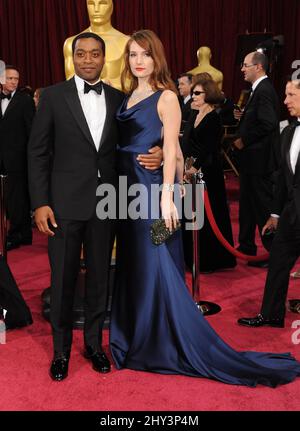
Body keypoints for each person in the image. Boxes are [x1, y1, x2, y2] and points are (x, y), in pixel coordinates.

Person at [109, 29, 300, 387]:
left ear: (157, 58)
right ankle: (137, 337)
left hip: (151, 196)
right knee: (134, 268)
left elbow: (172, 151)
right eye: (133, 54)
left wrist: (167, 197)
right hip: (124, 197)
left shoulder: (165, 97)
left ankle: (160, 343)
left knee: (156, 268)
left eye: (145, 55)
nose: (138, 61)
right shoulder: (128, 96)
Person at [28, 32, 162, 382]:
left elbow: (139, 141)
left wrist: (161, 150)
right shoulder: (54, 97)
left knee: (101, 280)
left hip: (107, 204)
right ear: (74, 58)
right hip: (63, 206)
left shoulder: (120, 98)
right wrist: (40, 203)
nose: (88, 60)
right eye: (82, 54)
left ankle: (94, 346)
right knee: (63, 281)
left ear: (105, 58)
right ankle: (60, 352)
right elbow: (38, 153)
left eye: (95, 54)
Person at [238, 79, 300, 328]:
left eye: (291, 95)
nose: (285, 101)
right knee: (277, 263)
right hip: (290, 214)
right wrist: (274, 214)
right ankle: (271, 315)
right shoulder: (287, 132)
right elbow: (283, 180)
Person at [182, 78, 236, 272]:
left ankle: (211, 260)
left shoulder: (214, 118)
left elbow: (209, 148)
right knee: (190, 214)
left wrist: (194, 167)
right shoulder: (192, 112)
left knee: (207, 215)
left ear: (208, 95)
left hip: (207, 174)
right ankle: (190, 257)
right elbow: (186, 142)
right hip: (189, 172)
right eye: (192, 93)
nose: (192, 96)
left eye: (197, 94)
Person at [233, 52, 280, 267]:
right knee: (248, 207)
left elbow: (268, 123)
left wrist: (244, 139)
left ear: (258, 67)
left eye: (245, 65)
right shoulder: (258, 90)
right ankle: (247, 248)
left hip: (260, 162)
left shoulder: (264, 90)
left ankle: (274, 252)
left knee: (262, 207)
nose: (242, 69)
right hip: (251, 162)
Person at [0, 65, 35, 251]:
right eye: (10, 78)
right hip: (1, 159)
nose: (14, 81)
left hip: (18, 159)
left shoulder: (24, 100)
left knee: (18, 199)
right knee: (6, 200)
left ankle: (20, 235)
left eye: (16, 79)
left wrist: (32, 158)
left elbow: (32, 131)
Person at [63, 0, 129, 90]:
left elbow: (132, 83)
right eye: (91, 4)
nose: (96, 9)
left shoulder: (126, 42)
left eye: (102, 3)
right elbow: (70, 82)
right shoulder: (71, 43)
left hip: (117, 102)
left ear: (111, 7)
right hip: (81, 102)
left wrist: (108, 88)